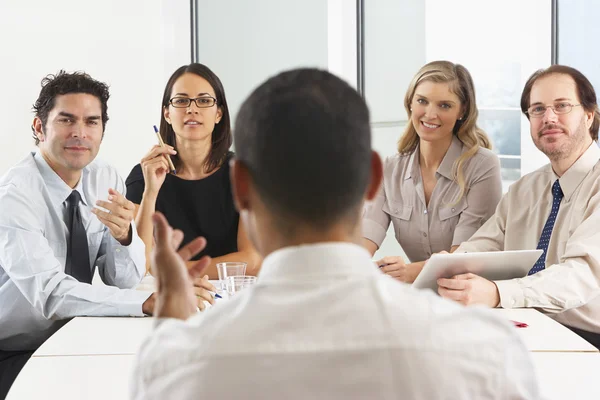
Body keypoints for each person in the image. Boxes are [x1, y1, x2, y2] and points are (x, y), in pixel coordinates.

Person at [131, 68, 539, 399]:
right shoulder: (488, 354)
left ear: (240, 186)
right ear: (374, 178)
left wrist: (171, 323)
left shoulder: (178, 362)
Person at [0, 71, 212, 399]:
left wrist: (126, 237)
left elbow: (122, 279)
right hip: (13, 349)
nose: (80, 133)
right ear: (39, 127)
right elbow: (52, 295)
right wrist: (148, 301)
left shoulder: (103, 177)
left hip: (74, 336)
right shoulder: (16, 196)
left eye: (91, 122)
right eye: (66, 120)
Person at [437, 65, 600, 349]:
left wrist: (498, 293)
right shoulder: (524, 189)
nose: (548, 117)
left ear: (588, 115)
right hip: (527, 325)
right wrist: (446, 267)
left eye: (562, 106)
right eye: (537, 109)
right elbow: (484, 246)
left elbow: (581, 275)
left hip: (587, 340)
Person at [362, 61, 502, 283]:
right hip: (421, 298)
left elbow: (465, 259)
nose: (430, 114)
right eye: (422, 101)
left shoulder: (482, 165)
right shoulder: (390, 168)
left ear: (462, 110)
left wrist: (408, 272)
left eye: (444, 105)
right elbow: (364, 239)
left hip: (471, 296)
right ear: (410, 102)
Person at [125, 63, 261, 280]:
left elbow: (252, 260)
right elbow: (140, 264)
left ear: (218, 114)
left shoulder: (244, 173)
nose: (192, 109)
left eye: (204, 101)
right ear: (167, 114)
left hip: (232, 298)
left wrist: (175, 270)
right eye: (181, 101)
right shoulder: (143, 175)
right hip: (170, 298)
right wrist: (150, 191)